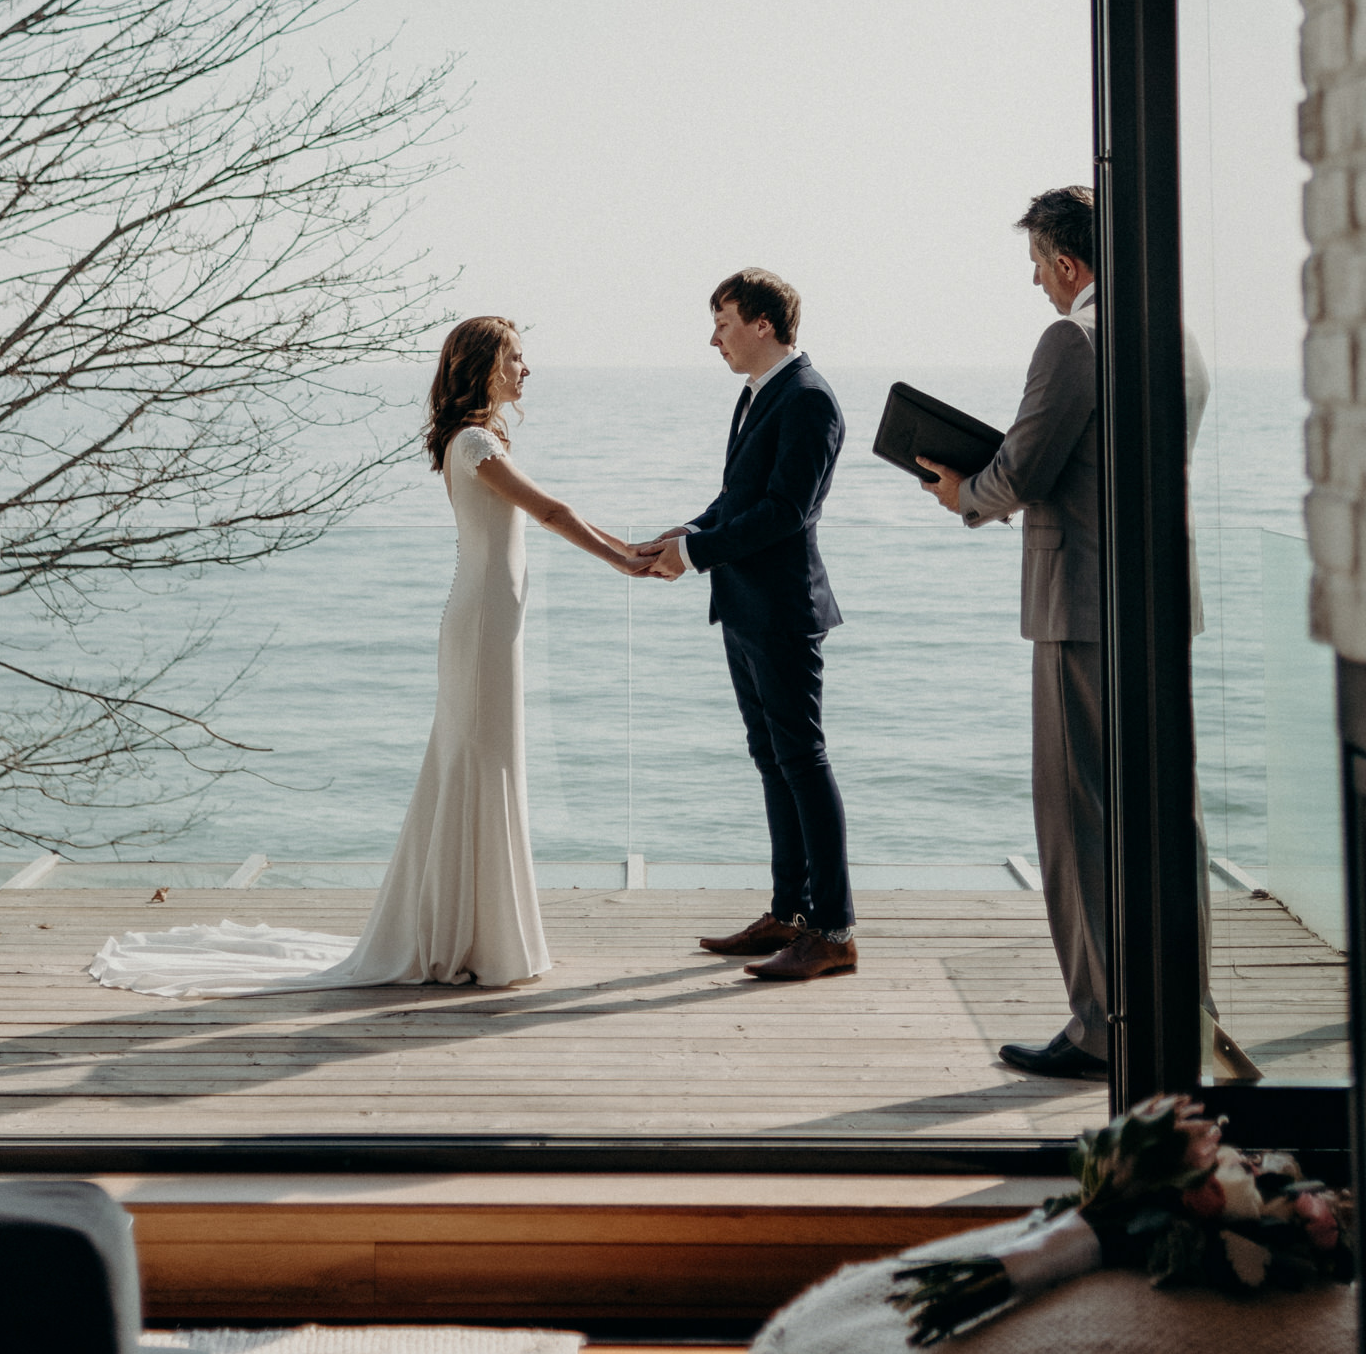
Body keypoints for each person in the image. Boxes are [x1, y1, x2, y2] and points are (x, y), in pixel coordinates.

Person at [86, 316, 641, 1000]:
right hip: (481, 630)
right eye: (516, 357)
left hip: (495, 628)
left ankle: (473, 933)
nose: (528, 368)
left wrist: (632, 548)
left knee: (482, 764)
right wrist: (624, 560)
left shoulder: (480, 439)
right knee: (475, 764)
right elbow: (553, 513)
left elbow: (554, 513)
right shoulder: (472, 443)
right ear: (482, 367)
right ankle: (465, 938)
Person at [920, 187, 1107, 1078]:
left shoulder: (1072, 339)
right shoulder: (1171, 336)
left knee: (1077, 820)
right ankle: (1180, 1005)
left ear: (1067, 264)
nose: (1036, 283)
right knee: (1160, 820)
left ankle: (1102, 1025)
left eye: (1037, 265)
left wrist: (966, 495)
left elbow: (1027, 464)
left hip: (1079, 604)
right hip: (1153, 603)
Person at [634, 267, 856, 984]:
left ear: (764, 323)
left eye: (723, 322)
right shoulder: (760, 393)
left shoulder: (810, 398)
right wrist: (691, 527)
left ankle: (834, 930)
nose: (714, 338)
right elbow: (741, 496)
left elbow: (787, 510)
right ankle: (789, 913)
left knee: (803, 760)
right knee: (773, 758)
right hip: (744, 607)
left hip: (785, 610)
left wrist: (694, 553)